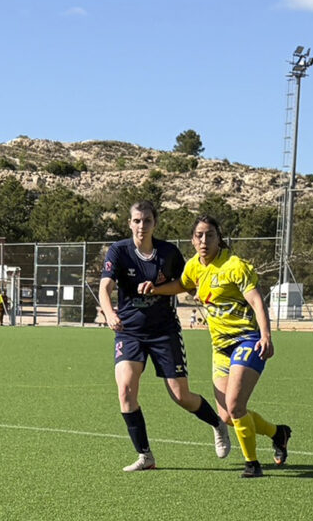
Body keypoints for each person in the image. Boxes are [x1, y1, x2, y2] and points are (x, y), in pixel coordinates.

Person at [140, 215, 291, 478]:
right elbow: (182, 285)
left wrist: (266, 335)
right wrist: (156, 289)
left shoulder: (234, 266)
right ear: (192, 240)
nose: (204, 240)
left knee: (235, 405)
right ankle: (278, 433)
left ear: (219, 238)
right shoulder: (194, 266)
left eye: (210, 235)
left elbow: (257, 301)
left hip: (247, 340)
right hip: (220, 348)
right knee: (228, 416)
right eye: (199, 235)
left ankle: (252, 464)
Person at [99, 201, 232, 472]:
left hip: (164, 332)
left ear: (155, 223)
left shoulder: (168, 253)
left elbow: (186, 282)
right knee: (125, 391)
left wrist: (200, 294)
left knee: (181, 396)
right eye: (137, 220)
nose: (141, 226)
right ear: (129, 223)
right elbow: (105, 287)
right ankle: (145, 455)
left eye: (147, 220)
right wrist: (110, 313)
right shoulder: (119, 250)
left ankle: (217, 423)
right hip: (129, 332)